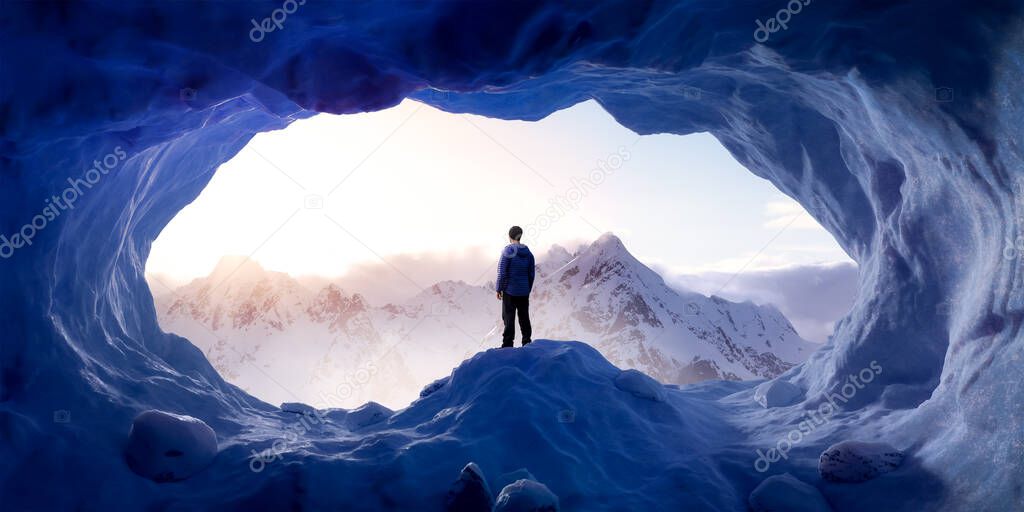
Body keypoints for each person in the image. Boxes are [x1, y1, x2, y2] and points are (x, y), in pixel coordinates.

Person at [496, 225, 535, 348]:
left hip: (510, 291)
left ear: (509, 236)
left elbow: (502, 272)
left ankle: (507, 344)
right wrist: (527, 288)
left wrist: (499, 288)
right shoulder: (528, 254)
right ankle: (527, 342)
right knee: (524, 317)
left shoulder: (508, 251)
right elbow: (531, 274)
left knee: (508, 317)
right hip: (523, 291)